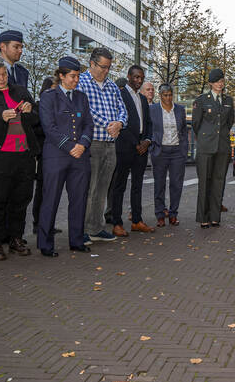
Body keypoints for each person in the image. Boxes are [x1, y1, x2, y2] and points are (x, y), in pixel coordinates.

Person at [0, 56, 41, 260]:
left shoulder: (20, 91)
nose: (2, 79)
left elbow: (36, 119)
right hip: (0, 156)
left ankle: (16, 239)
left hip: (24, 154)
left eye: (4, 74)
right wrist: (0, 119)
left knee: (21, 200)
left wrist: (29, 111)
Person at [37, 57, 94, 256]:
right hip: (56, 156)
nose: (76, 80)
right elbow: (49, 128)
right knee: (50, 199)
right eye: (72, 76)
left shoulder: (81, 97)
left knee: (79, 200)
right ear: (61, 76)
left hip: (80, 157)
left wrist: (83, 144)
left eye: (77, 76)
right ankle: (45, 244)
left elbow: (89, 124)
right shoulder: (48, 97)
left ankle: (76, 240)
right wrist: (71, 146)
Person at [78, 48, 126, 243]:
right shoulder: (80, 82)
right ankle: (81, 229)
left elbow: (122, 108)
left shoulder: (112, 86)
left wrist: (120, 123)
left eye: (109, 68)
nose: (106, 71)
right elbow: (85, 110)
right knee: (89, 188)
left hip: (110, 144)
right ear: (92, 63)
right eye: (103, 67)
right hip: (92, 142)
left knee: (103, 188)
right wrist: (109, 124)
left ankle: (96, 228)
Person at [109, 65, 154, 236]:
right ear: (129, 76)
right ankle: (116, 223)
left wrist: (147, 141)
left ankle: (136, 220)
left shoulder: (142, 99)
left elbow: (149, 123)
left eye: (141, 77)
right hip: (125, 147)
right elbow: (120, 121)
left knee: (137, 185)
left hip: (141, 149)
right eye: (136, 77)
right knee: (119, 186)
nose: (139, 80)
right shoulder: (120, 95)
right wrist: (136, 143)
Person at [192, 68, 234, 228]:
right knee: (204, 182)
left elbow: (230, 121)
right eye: (217, 81)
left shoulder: (229, 100)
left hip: (222, 146)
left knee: (219, 181)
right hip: (206, 146)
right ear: (211, 83)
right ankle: (203, 217)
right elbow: (196, 124)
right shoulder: (202, 100)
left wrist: (220, 136)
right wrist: (206, 136)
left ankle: (215, 217)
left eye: (222, 81)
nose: (220, 84)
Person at [149, 84, 188, 227]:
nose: (168, 98)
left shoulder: (180, 109)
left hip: (177, 151)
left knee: (176, 184)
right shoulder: (152, 109)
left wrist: (184, 148)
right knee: (159, 184)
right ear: (160, 95)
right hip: (160, 151)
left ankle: (173, 214)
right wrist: (152, 145)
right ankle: (160, 214)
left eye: (170, 94)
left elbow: (183, 130)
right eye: (165, 95)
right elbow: (149, 129)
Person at [31, 76, 57, 234]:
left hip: (56, 153)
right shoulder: (39, 106)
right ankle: (37, 223)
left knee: (51, 190)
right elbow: (36, 129)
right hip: (43, 154)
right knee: (41, 190)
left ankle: (48, 223)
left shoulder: (58, 107)